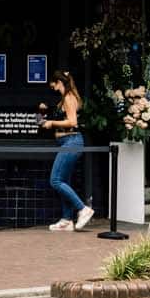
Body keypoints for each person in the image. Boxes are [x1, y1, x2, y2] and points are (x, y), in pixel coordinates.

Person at [39, 70, 94, 230]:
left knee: (55, 180)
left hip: (71, 141)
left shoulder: (69, 97)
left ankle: (83, 209)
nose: (53, 88)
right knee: (64, 181)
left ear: (59, 82)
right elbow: (54, 120)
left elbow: (72, 121)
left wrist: (52, 123)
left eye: (53, 84)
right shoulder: (65, 98)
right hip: (67, 142)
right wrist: (43, 114)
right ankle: (66, 219)